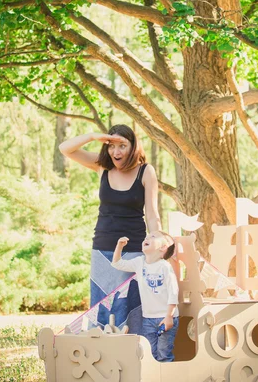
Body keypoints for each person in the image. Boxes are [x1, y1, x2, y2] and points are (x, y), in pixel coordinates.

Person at [59, 125, 161, 333]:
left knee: (130, 304)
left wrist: (157, 245)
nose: (116, 152)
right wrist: (93, 136)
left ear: (133, 147)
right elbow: (65, 148)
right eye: (112, 146)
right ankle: (102, 354)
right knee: (101, 306)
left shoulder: (145, 171)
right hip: (103, 249)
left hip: (133, 250)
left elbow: (152, 214)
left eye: (122, 146)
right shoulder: (102, 167)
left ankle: (133, 354)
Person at [111, 231, 179, 362]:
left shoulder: (164, 266)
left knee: (164, 352)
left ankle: (166, 379)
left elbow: (173, 291)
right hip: (148, 318)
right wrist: (119, 246)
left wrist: (169, 316)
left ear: (163, 247)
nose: (146, 238)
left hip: (166, 317)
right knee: (150, 353)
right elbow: (117, 263)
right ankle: (153, 379)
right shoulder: (139, 262)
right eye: (146, 237)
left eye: (153, 237)